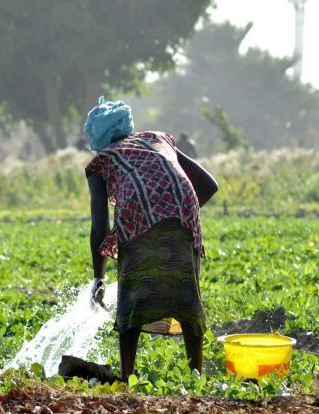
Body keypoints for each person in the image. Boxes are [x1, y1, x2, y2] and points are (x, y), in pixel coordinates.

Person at [84, 97, 218, 380]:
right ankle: (196, 376)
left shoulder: (101, 162)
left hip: (137, 214)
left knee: (131, 301)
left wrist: (98, 279)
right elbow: (208, 184)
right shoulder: (158, 139)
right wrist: (175, 211)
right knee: (187, 296)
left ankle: (127, 378)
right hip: (182, 214)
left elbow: (99, 227)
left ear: (98, 138)